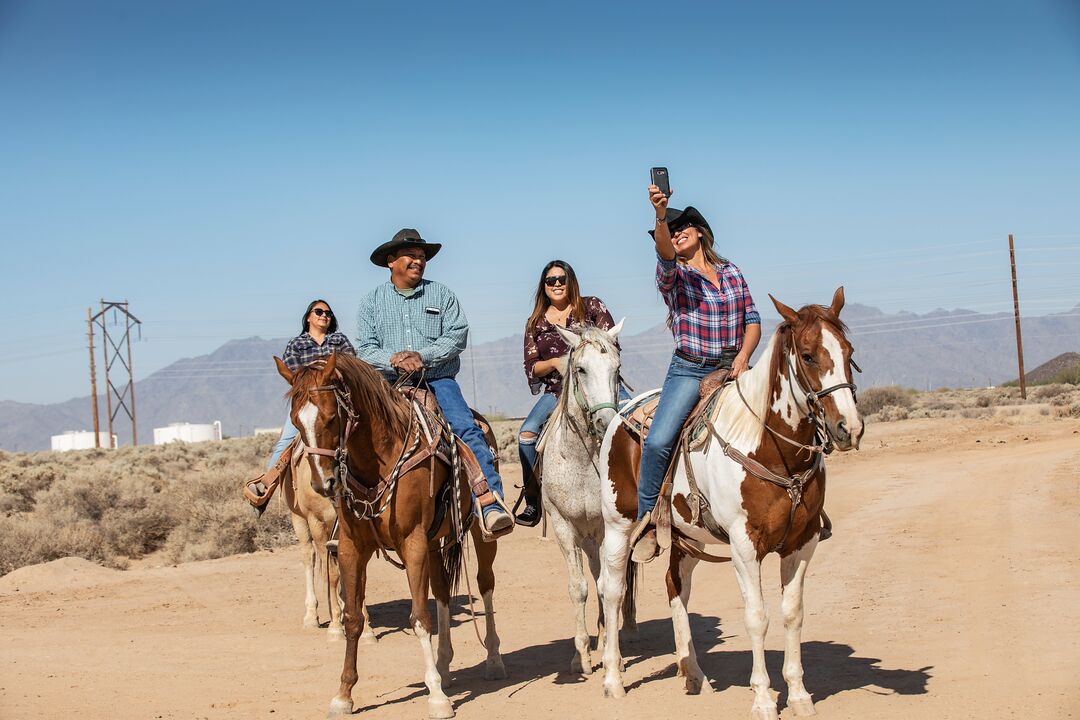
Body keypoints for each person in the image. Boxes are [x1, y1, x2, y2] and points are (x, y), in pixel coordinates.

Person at [630, 185, 762, 562]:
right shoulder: (676, 276)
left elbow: (751, 321)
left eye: (682, 225)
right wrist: (660, 213)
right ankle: (648, 522)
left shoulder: (732, 271)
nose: (676, 232)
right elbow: (664, 254)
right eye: (670, 230)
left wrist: (742, 358)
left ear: (700, 230)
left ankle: (805, 503)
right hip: (690, 369)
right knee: (657, 442)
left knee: (784, 410)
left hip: (735, 365)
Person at [356, 228, 514, 538]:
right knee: (353, 434)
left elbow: (457, 335)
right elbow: (365, 348)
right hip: (388, 385)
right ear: (391, 261)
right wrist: (394, 359)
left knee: (466, 428)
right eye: (411, 256)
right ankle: (348, 515)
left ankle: (490, 502)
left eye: (422, 257)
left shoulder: (441, 294)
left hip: (438, 379)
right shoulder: (371, 302)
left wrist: (421, 356)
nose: (419, 261)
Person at [514, 260, 619, 526]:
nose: (557, 284)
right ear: (544, 286)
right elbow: (532, 366)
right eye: (551, 280)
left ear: (571, 281)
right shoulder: (535, 322)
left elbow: (612, 345)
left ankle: (644, 496)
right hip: (557, 391)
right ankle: (533, 500)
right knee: (526, 435)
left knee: (635, 426)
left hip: (600, 386)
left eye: (562, 279)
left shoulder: (592, 306)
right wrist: (555, 364)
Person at [243, 299, 356, 512]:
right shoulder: (297, 344)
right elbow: (294, 374)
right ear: (308, 317)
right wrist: (315, 376)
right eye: (319, 312)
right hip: (306, 402)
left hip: (337, 400)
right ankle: (266, 487)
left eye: (328, 314)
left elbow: (352, 364)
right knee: (286, 440)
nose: (324, 316)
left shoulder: (339, 339)